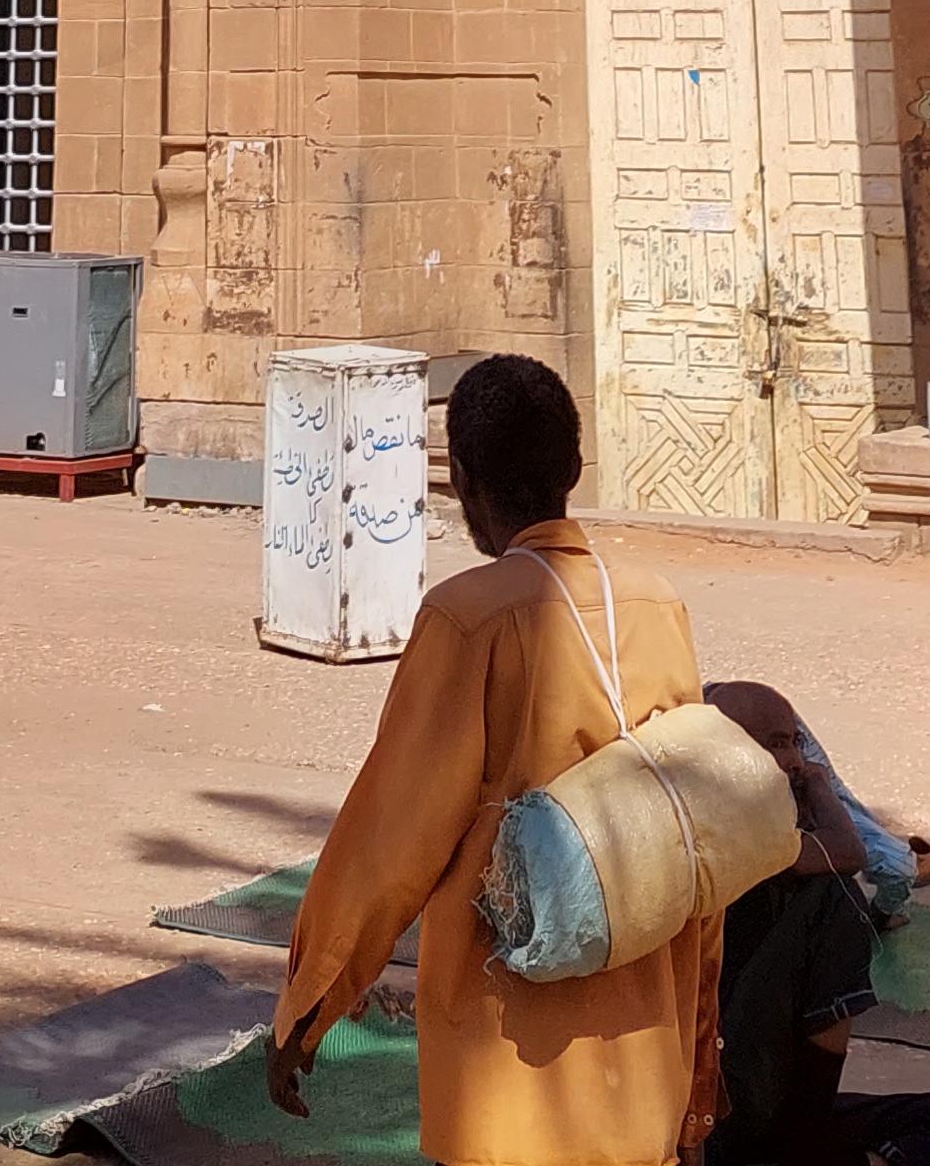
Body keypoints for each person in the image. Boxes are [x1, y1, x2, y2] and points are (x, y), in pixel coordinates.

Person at [266, 356, 715, 1166]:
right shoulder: (658, 605)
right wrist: (700, 1063)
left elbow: (390, 843)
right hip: (644, 1069)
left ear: (460, 479)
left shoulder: (466, 618)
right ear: (574, 469)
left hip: (508, 1080)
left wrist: (308, 1004)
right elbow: (700, 846)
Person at [695, 685, 930, 1166]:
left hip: (747, 1116)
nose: (796, 761)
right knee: (837, 900)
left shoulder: (735, 841)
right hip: (742, 1128)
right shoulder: (753, 853)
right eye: (777, 744)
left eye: (795, 743)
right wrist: (818, 786)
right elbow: (848, 852)